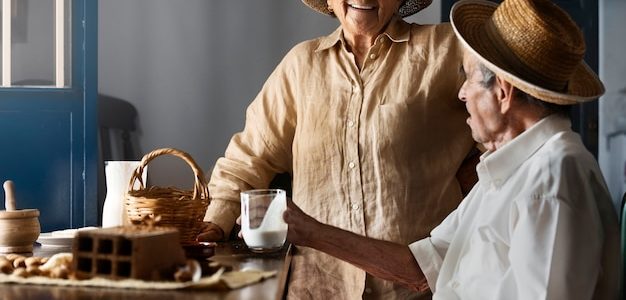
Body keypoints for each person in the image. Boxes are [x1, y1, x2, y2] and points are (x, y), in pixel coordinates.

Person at [282, 0, 620, 299]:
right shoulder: (508, 171)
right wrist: (309, 231)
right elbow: (419, 268)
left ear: (502, 93)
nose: (461, 94)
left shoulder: (551, 182)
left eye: (469, 78)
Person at [199, 0, 480, 298]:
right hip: (319, 286)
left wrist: (473, 184)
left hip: (416, 290)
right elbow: (249, 158)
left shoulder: (447, 48)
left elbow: (511, 124)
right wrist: (216, 221)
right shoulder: (301, 65)